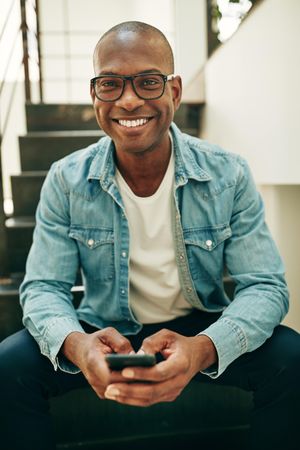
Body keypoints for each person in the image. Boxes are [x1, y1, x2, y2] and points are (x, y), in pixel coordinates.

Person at [0, 20, 299, 450]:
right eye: (111, 84)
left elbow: (266, 287)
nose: (128, 100)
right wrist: (77, 345)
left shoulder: (228, 173)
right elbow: (44, 288)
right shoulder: (65, 179)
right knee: (9, 366)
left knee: (292, 358)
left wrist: (202, 348)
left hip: (198, 326)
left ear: (174, 92)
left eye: (148, 82)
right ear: (95, 96)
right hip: (103, 330)